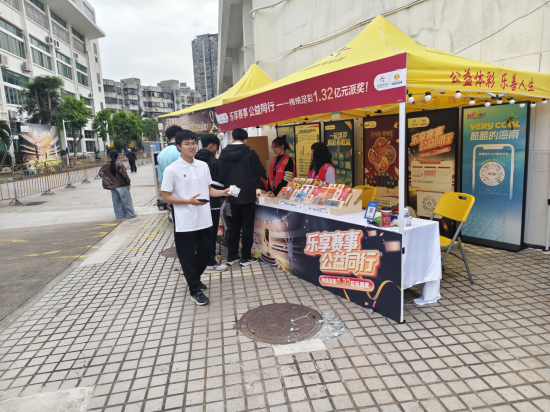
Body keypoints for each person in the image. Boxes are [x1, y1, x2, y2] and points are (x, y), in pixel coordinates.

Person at [161, 130, 230, 306]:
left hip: (205, 218)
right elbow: (166, 196)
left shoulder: (203, 166)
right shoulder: (172, 170)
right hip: (185, 222)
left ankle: (194, 278)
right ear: (178, 146)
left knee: (206, 252)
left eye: (193, 143)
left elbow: (208, 189)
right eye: (187, 143)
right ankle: (194, 289)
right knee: (187, 256)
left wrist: (223, 192)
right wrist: (188, 201)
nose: (192, 146)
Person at [216, 128, 262, 267]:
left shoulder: (224, 153)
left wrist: (225, 193)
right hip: (247, 195)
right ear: (245, 140)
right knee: (247, 226)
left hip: (231, 194)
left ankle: (232, 256)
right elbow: (258, 173)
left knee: (234, 226)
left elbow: (220, 174)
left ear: (232, 138)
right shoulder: (250, 152)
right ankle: (245, 257)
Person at [194, 134, 227, 274]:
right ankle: (210, 262)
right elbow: (219, 181)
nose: (216, 151)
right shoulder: (214, 162)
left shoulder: (193, 160)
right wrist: (224, 194)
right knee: (211, 234)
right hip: (212, 202)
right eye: (216, 148)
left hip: (195, 202)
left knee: (198, 233)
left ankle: (199, 260)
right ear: (211, 145)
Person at [98, 150, 136, 219]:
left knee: (116, 202)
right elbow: (125, 175)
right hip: (121, 185)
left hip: (112, 187)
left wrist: (108, 177)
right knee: (126, 200)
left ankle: (120, 216)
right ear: (117, 156)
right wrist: (128, 183)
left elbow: (100, 173)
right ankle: (130, 214)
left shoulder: (106, 165)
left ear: (109, 156)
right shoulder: (119, 163)